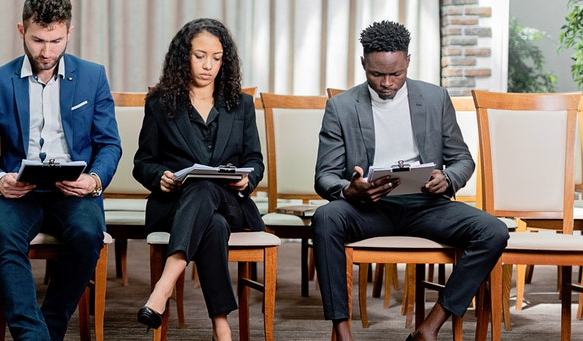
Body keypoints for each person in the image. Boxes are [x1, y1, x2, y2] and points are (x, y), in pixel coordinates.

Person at [312, 20, 508, 341]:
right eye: (377, 74)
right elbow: (324, 176)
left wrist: (446, 178)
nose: (387, 82)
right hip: (369, 209)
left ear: (408, 62)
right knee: (325, 218)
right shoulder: (341, 107)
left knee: (493, 231)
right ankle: (342, 332)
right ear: (363, 64)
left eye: (396, 74)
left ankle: (429, 328)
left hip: (426, 205)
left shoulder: (434, 98)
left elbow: (463, 159)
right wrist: (350, 189)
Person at [0, 0, 121, 339]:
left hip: (74, 191)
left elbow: (109, 144)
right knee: (5, 235)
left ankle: (47, 327)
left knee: (88, 233)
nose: (47, 51)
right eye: (37, 40)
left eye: (56, 41)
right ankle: (32, 335)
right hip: (19, 192)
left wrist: (93, 180)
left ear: (69, 33)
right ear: (22, 31)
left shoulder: (93, 77)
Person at [131, 18, 265, 341]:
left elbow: (255, 162)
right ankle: (221, 326)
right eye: (200, 56)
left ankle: (162, 289)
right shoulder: (160, 104)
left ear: (225, 60)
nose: (209, 66)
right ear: (183, 57)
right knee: (213, 225)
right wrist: (158, 177)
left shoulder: (242, 105)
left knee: (206, 187)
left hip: (232, 202)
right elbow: (142, 162)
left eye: (217, 58)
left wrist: (247, 181)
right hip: (177, 205)